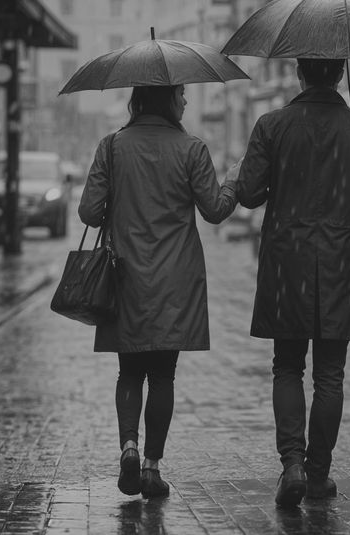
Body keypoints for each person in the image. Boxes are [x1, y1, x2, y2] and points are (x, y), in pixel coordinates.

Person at [231, 58, 350, 507]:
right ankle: (319, 472)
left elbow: (247, 193)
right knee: (330, 373)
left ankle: (292, 466)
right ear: (340, 75)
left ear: (299, 74)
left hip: (288, 262)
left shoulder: (273, 125)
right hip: (341, 262)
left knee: (287, 366)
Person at [77, 85, 238, 500]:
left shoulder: (111, 147)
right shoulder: (192, 149)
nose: (185, 101)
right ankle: (151, 467)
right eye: (181, 94)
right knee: (163, 374)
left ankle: (128, 446)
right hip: (174, 279)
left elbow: (89, 212)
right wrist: (234, 181)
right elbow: (215, 210)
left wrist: (118, 196)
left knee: (129, 371)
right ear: (166, 99)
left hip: (124, 277)